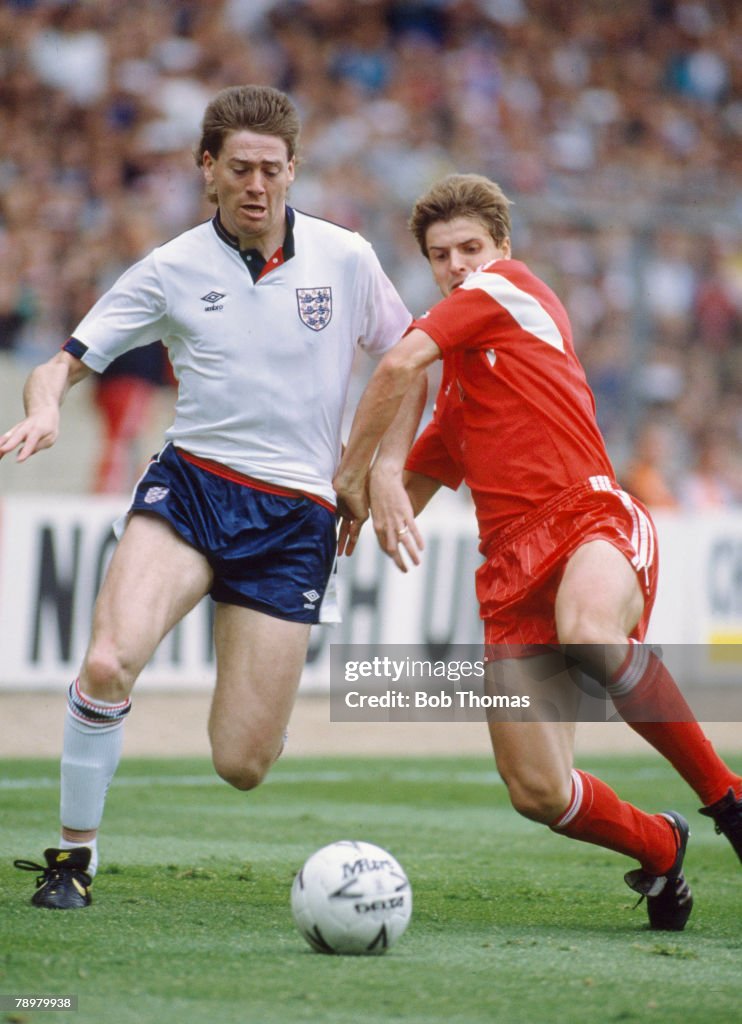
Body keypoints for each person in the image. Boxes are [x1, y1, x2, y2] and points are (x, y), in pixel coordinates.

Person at [2, 84, 421, 910]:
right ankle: (73, 860)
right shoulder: (172, 267)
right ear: (208, 170)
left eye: (271, 169)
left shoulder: (345, 258)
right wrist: (47, 402)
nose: (256, 184)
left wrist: (379, 468)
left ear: (294, 171)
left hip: (296, 519)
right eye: (240, 168)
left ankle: (268, 696)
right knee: (106, 661)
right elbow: (63, 361)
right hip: (191, 489)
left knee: (242, 763)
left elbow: (409, 361)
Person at [333, 173, 742, 931]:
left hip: (589, 517)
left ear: (502, 248)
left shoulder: (509, 289)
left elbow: (395, 368)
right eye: (440, 256)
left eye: (470, 248)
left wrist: (365, 469)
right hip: (510, 573)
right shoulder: (458, 388)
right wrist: (347, 516)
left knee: (590, 627)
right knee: (538, 793)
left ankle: (729, 799)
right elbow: (407, 487)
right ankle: (660, 847)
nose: (458, 266)